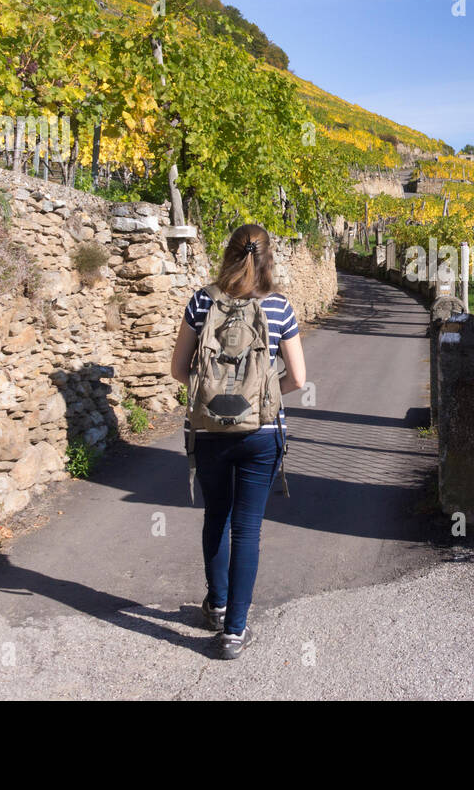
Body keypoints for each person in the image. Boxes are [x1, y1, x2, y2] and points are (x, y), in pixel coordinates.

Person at [169, 223, 307, 659]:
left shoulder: (200, 301)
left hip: (210, 431)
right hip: (261, 434)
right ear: (269, 259)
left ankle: (217, 604)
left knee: (216, 517)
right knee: (248, 529)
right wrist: (262, 400)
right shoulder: (280, 307)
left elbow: (178, 369)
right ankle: (234, 632)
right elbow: (299, 379)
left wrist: (216, 401)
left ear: (228, 254)